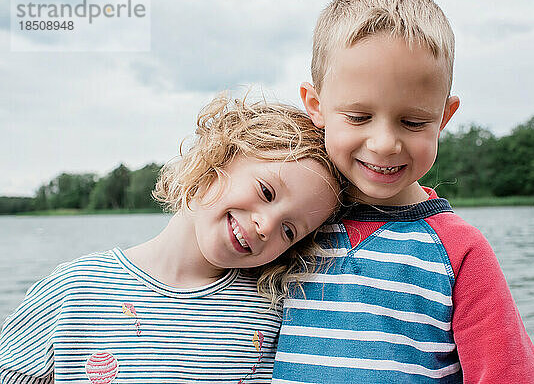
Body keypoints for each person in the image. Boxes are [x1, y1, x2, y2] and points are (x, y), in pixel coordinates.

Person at [272, 0, 534, 383]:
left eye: (413, 122)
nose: (385, 144)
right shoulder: (290, 225)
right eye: (358, 117)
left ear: (444, 118)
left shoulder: (459, 253)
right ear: (316, 105)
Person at [0, 93, 340, 383]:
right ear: (220, 155)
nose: (267, 226)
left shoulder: (270, 314)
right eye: (266, 192)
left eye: (288, 230)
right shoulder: (73, 291)